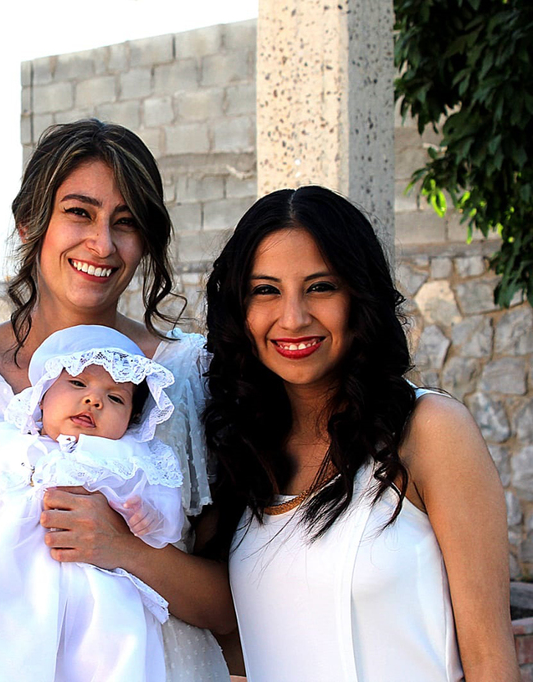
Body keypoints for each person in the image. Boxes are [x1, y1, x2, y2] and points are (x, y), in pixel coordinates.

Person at [0, 119, 231, 681]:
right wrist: (3, 606)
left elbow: (230, 602)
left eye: (125, 223)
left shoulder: (189, 375)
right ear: (30, 222)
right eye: (79, 213)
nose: (102, 244)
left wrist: (124, 549)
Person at [203, 185, 518, 680]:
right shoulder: (240, 450)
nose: (293, 317)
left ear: (359, 295)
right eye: (266, 290)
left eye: (320, 286)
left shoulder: (429, 431)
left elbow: (490, 662)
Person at [0, 325, 184, 680]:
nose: (94, 400)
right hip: (8, 582)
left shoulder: (127, 458)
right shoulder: (5, 446)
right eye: (78, 384)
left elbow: (166, 516)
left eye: (115, 398)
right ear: (43, 392)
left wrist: (145, 518)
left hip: (95, 596)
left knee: (106, 654)